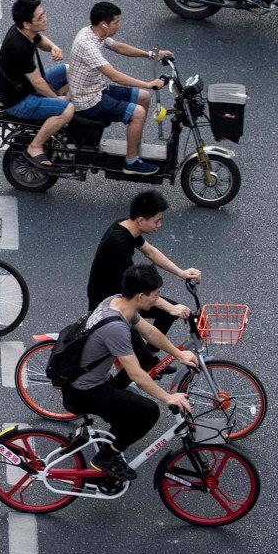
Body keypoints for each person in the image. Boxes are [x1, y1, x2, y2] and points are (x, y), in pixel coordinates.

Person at [64, 264, 197, 481]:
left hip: (89, 381)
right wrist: (168, 397)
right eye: (156, 295)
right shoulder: (116, 327)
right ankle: (106, 457)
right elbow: (135, 374)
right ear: (141, 296)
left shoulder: (117, 301)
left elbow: (150, 332)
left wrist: (178, 354)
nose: (158, 300)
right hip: (86, 391)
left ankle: (113, 443)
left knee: (130, 407)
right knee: (149, 411)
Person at [86, 190, 202, 386]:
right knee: (144, 353)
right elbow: (138, 289)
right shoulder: (118, 243)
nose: (159, 225)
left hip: (127, 295)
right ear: (141, 220)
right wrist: (170, 307)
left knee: (168, 314)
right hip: (110, 304)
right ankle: (116, 388)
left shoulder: (128, 227)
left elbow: (150, 251)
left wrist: (181, 272)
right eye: (157, 221)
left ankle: (149, 359)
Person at [66, 2, 171, 176]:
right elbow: (114, 75)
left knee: (143, 97)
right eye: (116, 22)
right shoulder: (88, 45)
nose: (119, 26)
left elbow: (119, 47)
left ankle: (134, 142)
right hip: (87, 100)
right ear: (104, 25)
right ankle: (130, 162)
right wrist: (148, 83)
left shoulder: (95, 33)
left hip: (97, 89)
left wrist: (152, 55)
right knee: (138, 112)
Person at [0, 0, 74, 168]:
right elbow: (38, 83)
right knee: (68, 109)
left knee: (69, 71)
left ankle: (54, 121)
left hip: (27, 87)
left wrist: (53, 47)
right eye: (40, 18)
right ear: (27, 24)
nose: (45, 19)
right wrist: (57, 99)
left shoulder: (23, 31)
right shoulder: (19, 46)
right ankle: (35, 146)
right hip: (19, 101)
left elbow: (40, 40)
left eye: (44, 14)